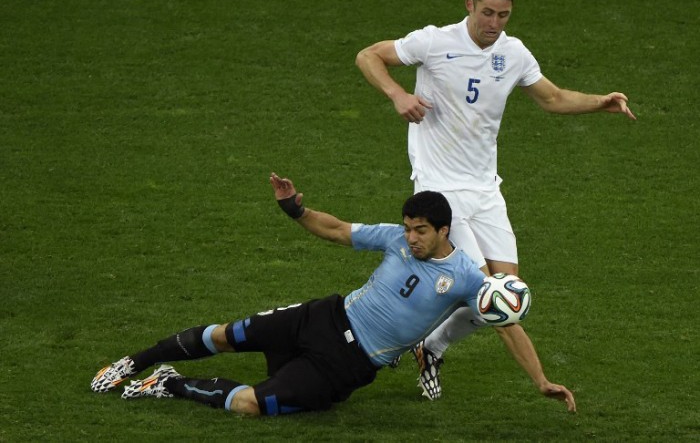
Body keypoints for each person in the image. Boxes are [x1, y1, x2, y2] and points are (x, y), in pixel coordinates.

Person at [355, 0, 635, 400]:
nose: (494, 23)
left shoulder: (514, 53)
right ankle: (410, 341)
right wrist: (397, 94)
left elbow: (553, 98)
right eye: (487, 12)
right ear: (470, 5)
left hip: (486, 188)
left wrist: (602, 102)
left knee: (509, 297)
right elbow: (368, 56)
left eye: (503, 15)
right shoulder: (435, 41)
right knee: (487, 293)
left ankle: (431, 345)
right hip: (441, 189)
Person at [90, 173, 576, 415]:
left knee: (254, 406)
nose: (411, 238)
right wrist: (295, 210)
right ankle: (134, 361)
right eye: (408, 228)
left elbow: (509, 329)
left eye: (421, 231)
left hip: (349, 364)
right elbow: (338, 229)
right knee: (225, 334)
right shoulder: (393, 237)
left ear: (444, 230)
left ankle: (167, 383)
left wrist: (541, 381)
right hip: (324, 317)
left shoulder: (468, 278)